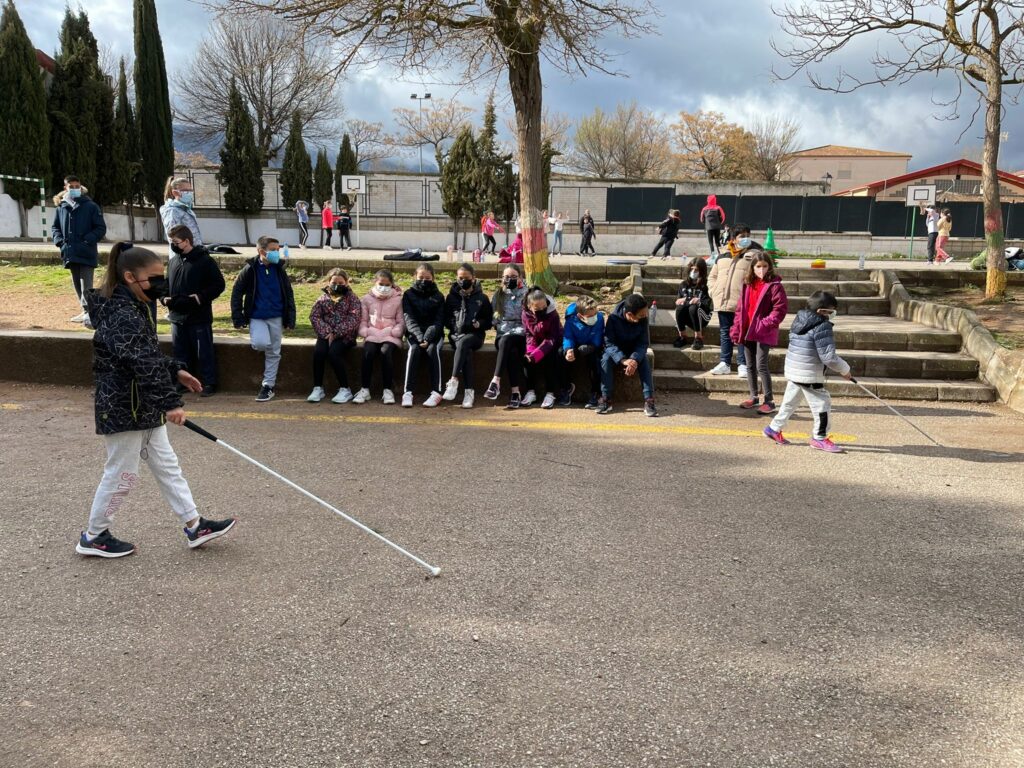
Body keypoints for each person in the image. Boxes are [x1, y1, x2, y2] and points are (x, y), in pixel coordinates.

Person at [77, 242, 236, 558]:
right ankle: (94, 535)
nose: (161, 284)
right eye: (154, 278)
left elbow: (145, 354)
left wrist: (175, 370)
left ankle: (194, 525)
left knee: (167, 466)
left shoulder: (134, 307)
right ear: (130, 277)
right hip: (124, 407)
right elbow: (141, 362)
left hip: (143, 405)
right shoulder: (121, 314)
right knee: (122, 474)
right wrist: (171, 403)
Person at [764, 291, 852, 453]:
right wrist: (845, 370)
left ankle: (774, 428)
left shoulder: (799, 320)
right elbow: (829, 357)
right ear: (821, 311)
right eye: (831, 311)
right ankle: (820, 438)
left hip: (794, 370)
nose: (833, 314)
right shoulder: (822, 326)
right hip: (809, 373)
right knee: (822, 404)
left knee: (790, 402)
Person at [230, 236, 297, 402]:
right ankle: (261, 346)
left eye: (278, 250)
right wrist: (238, 317)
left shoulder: (279, 269)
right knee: (261, 343)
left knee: (274, 352)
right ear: (261, 251)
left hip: (277, 316)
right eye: (273, 250)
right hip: (257, 316)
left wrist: (290, 317)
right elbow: (237, 292)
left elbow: (288, 293)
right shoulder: (250, 269)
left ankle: (268, 386)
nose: (276, 253)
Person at [164, 225, 225, 397]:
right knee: (180, 352)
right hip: (177, 316)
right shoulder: (173, 261)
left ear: (186, 241)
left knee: (203, 352)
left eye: (176, 242)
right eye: (171, 242)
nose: (173, 245)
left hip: (198, 316)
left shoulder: (205, 261)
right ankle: (183, 382)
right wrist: (163, 298)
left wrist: (199, 297)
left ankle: (209, 382)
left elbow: (218, 285)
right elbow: (166, 284)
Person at [730, 253, 788, 415]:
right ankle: (754, 396)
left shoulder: (775, 285)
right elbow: (740, 309)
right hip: (747, 329)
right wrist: (736, 329)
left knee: (761, 365)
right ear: (753, 267)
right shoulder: (748, 284)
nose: (761, 270)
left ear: (769, 267)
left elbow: (780, 309)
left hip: (763, 331)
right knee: (749, 365)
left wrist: (765, 323)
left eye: (764, 266)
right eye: (758, 266)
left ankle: (769, 401)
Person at [51, 175, 106, 326]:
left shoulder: (91, 206)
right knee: (76, 282)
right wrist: (60, 242)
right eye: (71, 186)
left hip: (86, 251)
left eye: (77, 186)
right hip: (69, 251)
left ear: (81, 187)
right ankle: (84, 310)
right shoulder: (61, 207)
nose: (75, 189)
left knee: (86, 284)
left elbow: (100, 228)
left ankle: (90, 312)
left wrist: (87, 240)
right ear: (65, 188)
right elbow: (55, 227)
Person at [707, 224, 759, 378]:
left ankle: (743, 364)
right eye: (742, 236)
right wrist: (713, 291)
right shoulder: (723, 254)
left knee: (743, 333)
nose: (745, 239)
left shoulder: (754, 254)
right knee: (725, 332)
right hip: (723, 300)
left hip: (743, 302)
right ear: (733, 239)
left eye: (747, 235)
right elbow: (712, 276)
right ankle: (725, 363)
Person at [306, 268, 361, 404]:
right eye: (334, 282)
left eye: (341, 283)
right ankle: (318, 387)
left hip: (345, 336)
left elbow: (354, 318)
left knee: (334, 353)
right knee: (319, 352)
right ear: (328, 282)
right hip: (326, 334)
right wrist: (327, 332)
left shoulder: (352, 299)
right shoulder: (322, 299)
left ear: (347, 282)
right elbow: (315, 316)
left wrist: (336, 333)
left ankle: (345, 388)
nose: (337, 285)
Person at [442, 263, 493, 408]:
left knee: (465, 343)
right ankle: (469, 392)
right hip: (456, 335)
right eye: (460, 278)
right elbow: (446, 318)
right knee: (467, 352)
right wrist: (456, 326)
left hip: (475, 335)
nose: (463, 281)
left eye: (466, 278)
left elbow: (488, 321)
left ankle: (453, 380)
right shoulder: (451, 297)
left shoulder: (482, 298)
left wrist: (479, 324)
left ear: (473, 278)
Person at [599, 293, 656, 417]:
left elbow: (643, 343)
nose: (645, 316)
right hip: (617, 351)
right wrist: (622, 359)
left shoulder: (643, 319)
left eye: (645, 313)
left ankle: (649, 399)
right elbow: (609, 343)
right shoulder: (613, 318)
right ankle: (606, 398)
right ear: (629, 314)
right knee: (605, 359)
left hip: (634, 351)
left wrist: (634, 359)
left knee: (644, 360)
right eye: (641, 315)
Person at [355, 269, 404, 404]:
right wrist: (365, 331)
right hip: (372, 333)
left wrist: (395, 331)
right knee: (368, 352)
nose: (384, 287)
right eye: (381, 284)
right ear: (375, 283)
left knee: (385, 352)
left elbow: (400, 321)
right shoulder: (366, 299)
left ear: (392, 284)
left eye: (387, 285)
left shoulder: (398, 300)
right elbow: (363, 320)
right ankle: (365, 389)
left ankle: (387, 390)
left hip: (390, 335)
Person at [401, 263, 446, 407]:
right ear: (415, 276)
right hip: (415, 334)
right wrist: (420, 337)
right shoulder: (408, 295)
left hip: (434, 334)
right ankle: (408, 392)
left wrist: (427, 338)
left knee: (433, 350)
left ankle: (437, 392)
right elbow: (409, 319)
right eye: (421, 277)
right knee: (414, 350)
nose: (424, 280)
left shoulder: (439, 296)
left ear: (433, 278)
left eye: (427, 278)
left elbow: (439, 321)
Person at [484, 266, 528, 408]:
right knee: (511, 352)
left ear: (520, 277)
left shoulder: (527, 294)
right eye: (507, 277)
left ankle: (495, 381)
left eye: (514, 277)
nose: (510, 280)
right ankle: (515, 393)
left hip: (521, 333)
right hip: (503, 332)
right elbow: (494, 317)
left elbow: (530, 317)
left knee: (507, 340)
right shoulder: (499, 294)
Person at [522, 288, 567, 409]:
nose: (542, 310)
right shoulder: (525, 314)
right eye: (538, 309)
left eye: (544, 307)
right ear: (529, 306)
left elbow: (552, 337)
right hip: (535, 341)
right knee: (527, 359)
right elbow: (529, 334)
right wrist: (530, 352)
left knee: (550, 357)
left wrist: (537, 354)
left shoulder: (553, 314)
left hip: (553, 342)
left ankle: (550, 393)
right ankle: (530, 392)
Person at [562, 295, 604, 408]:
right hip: (575, 346)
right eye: (590, 316)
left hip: (592, 347)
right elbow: (568, 336)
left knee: (596, 360)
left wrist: (591, 347)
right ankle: (566, 388)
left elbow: (598, 337)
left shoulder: (600, 318)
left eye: (595, 314)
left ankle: (596, 392)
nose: (594, 317)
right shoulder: (571, 320)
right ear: (580, 316)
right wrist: (568, 349)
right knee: (561, 354)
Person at [673, 257, 713, 349]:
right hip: (688, 316)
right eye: (692, 269)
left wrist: (692, 300)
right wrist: (689, 300)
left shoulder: (706, 285)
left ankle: (698, 337)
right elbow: (679, 301)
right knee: (680, 308)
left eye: (696, 270)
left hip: (702, 317)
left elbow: (707, 304)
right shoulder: (683, 284)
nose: (693, 272)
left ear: (701, 271)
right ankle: (682, 336)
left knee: (694, 308)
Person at [159, 176, 203, 253]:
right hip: (183, 255)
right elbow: (173, 237)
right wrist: (187, 252)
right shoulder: (172, 211)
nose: (189, 193)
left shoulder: (185, 209)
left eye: (190, 190)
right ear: (175, 192)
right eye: (186, 190)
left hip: (195, 253)